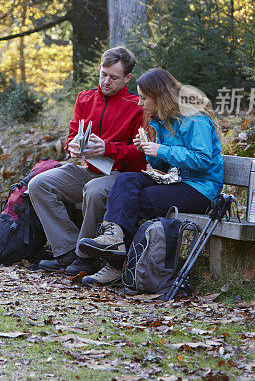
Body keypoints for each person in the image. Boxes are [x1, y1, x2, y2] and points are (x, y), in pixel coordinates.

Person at [77, 68, 223, 286]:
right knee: (126, 180)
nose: (140, 103)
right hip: (176, 181)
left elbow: (202, 159)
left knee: (137, 200)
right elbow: (163, 165)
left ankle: (117, 265)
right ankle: (113, 238)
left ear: (159, 96)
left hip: (200, 189)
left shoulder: (194, 119)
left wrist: (160, 149)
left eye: (144, 98)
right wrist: (148, 151)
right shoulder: (163, 121)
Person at [28, 47, 147, 276]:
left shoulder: (137, 107)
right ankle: (68, 251)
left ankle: (86, 258)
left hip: (120, 176)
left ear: (127, 78)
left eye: (113, 77)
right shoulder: (85, 98)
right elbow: (73, 135)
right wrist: (71, 145)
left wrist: (109, 148)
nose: (106, 81)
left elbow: (142, 155)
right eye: (103, 74)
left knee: (93, 191)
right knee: (39, 184)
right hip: (88, 168)